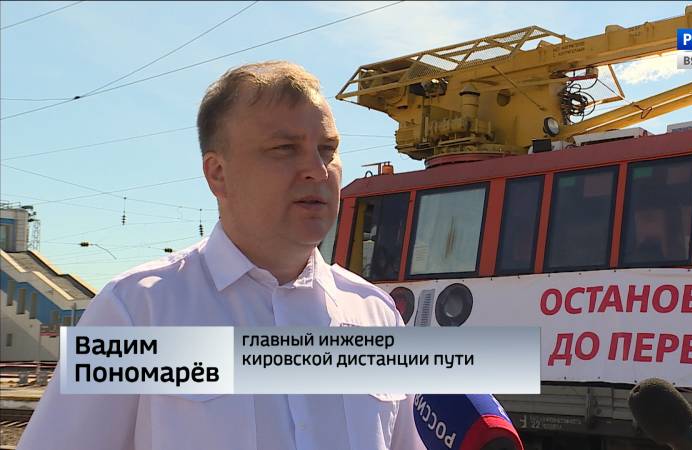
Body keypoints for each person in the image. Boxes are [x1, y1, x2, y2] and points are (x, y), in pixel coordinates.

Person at [17, 61, 425, 450]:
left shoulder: (377, 315)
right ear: (218, 173)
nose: (318, 171)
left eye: (327, 149)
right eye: (285, 148)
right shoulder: (136, 311)